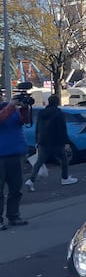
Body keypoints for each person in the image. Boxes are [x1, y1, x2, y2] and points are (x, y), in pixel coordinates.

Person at [26, 95, 77, 191]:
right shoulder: (59, 114)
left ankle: (31, 180)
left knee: (39, 162)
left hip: (43, 141)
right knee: (64, 159)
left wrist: (37, 140)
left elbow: (38, 128)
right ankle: (64, 178)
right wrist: (66, 142)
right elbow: (62, 129)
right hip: (56, 142)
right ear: (57, 102)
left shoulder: (41, 113)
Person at [0, 94, 32, 229]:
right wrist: (11, 106)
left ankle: (14, 215)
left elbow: (25, 121)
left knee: (16, 188)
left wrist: (24, 108)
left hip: (16, 153)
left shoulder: (10, 108)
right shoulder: (8, 108)